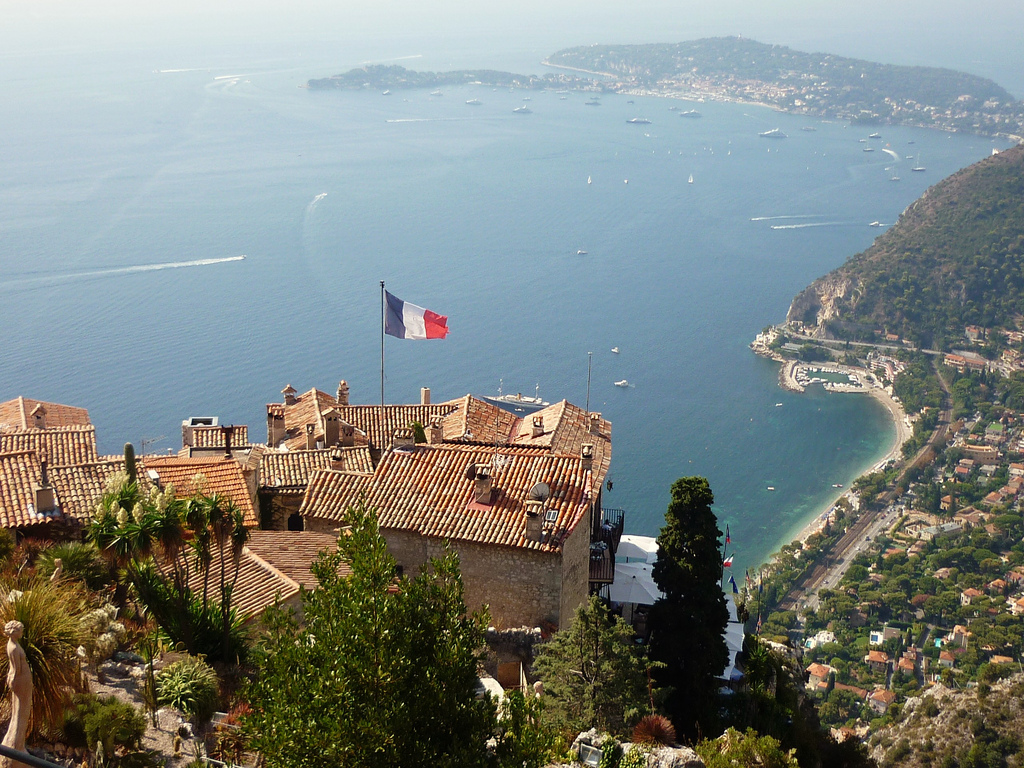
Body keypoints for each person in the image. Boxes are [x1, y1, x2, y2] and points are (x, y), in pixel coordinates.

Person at [2, 620, 32, 768]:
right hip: (21, 681)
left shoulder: (12, 645)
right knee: (21, 710)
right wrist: (15, 682)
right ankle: (15, 747)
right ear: (15, 632)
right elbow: (15, 669)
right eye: (20, 630)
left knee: (20, 711)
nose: (22, 632)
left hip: (22, 680)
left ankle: (17, 746)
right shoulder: (13, 648)